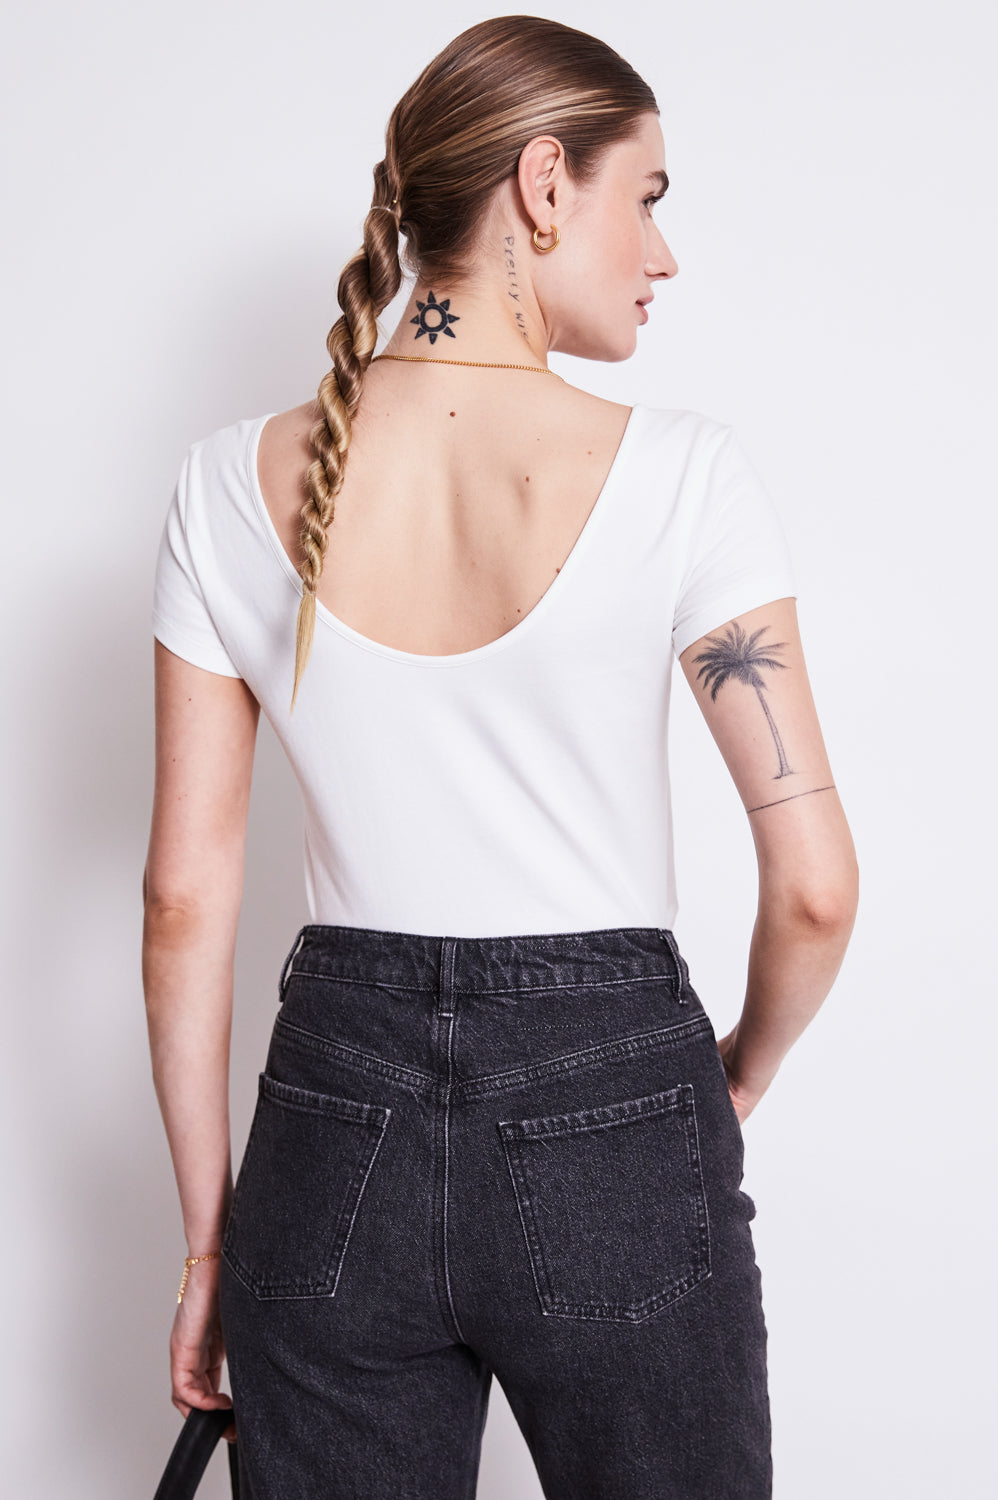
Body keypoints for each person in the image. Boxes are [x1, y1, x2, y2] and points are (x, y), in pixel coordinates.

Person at [142, 15, 858, 1498]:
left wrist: (213, 1238)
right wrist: (731, 1074)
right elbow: (815, 889)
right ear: (545, 184)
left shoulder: (225, 485)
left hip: (329, 1135)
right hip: (620, 1105)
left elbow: (182, 901)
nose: (665, 255)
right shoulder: (682, 475)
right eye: (646, 197)